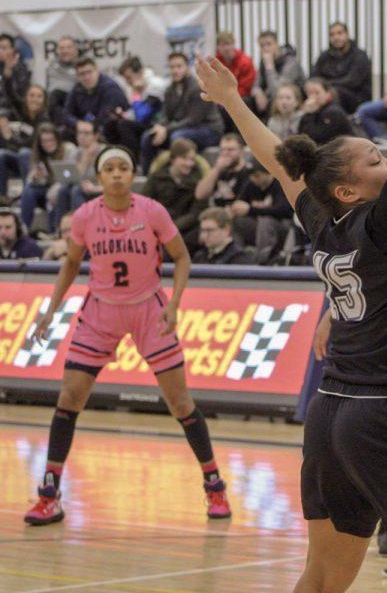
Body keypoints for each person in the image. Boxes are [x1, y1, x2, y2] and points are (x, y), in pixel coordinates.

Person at [196, 0, 387, 589]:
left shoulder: (322, 221)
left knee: (324, 581)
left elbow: (282, 166)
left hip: (329, 413)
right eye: (378, 160)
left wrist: (231, 102)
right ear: (351, 191)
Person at [23, 145, 231, 527]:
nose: (116, 174)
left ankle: (214, 484)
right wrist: (50, 311)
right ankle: (49, 495)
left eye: (123, 168)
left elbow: (182, 257)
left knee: (180, 402)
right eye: (109, 169)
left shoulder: (151, 210)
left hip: (148, 309)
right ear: (99, 177)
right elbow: (70, 264)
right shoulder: (85, 215)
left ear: (132, 175)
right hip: (100, 309)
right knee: (69, 398)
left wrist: (176, 303)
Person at [140, 53, 224, 175]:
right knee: (148, 137)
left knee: (178, 137)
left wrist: (166, 129)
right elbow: (166, 116)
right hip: (184, 128)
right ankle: (149, 177)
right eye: (172, 67)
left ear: (187, 68)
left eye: (179, 66)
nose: (175, 70)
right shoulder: (170, 90)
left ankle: (178, 175)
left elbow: (193, 120)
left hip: (209, 130)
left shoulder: (197, 87)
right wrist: (160, 127)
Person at [141, 138, 208, 253]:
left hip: (186, 229)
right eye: (184, 158)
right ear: (173, 159)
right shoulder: (157, 177)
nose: (189, 164)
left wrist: (172, 227)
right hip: (158, 226)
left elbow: (196, 212)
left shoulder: (199, 181)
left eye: (192, 159)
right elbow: (144, 204)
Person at [228, 159, 293, 264]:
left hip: (283, 228)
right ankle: (236, 258)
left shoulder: (279, 184)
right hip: (258, 228)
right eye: (251, 175)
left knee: (265, 221)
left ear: (269, 173)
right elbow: (240, 202)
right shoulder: (251, 184)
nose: (253, 179)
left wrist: (251, 210)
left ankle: (260, 262)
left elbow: (284, 210)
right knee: (238, 222)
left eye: (257, 175)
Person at [103, 56, 167, 160]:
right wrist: (122, 114)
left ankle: (132, 161)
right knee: (111, 125)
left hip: (157, 123)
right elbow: (134, 113)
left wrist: (137, 94)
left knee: (124, 125)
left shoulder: (155, 85)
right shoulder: (134, 86)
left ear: (141, 72)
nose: (127, 82)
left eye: (129, 77)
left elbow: (142, 115)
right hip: (145, 122)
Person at [19, 123, 77, 232]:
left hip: (63, 189)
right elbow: (29, 181)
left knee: (59, 192)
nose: (48, 144)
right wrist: (36, 177)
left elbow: (70, 176)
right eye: (44, 141)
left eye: (51, 140)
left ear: (57, 139)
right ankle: (23, 228)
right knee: (28, 190)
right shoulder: (39, 155)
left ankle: (55, 230)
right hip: (46, 190)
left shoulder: (69, 149)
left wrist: (54, 189)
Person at [311, 21, 373, 114]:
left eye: (340, 33)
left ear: (347, 35)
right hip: (327, 92)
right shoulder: (324, 56)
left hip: (356, 98)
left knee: (333, 92)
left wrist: (326, 85)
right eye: (332, 35)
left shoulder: (359, 55)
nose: (336, 37)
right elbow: (313, 77)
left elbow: (352, 81)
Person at [60, 58, 128, 140]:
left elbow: (107, 114)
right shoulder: (77, 88)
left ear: (97, 71)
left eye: (89, 72)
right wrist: (77, 123)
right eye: (82, 74)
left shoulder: (110, 87)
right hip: (85, 126)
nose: (86, 77)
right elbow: (66, 113)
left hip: (106, 127)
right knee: (64, 132)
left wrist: (89, 126)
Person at [0, 85, 49, 195]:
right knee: (1, 154)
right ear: (26, 98)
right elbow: (10, 95)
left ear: (44, 100)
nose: (35, 99)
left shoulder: (44, 121)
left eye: (39, 96)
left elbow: (31, 144)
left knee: (24, 153)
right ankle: (2, 198)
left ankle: (27, 192)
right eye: (31, 95)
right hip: (16, 157)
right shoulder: (17, 115)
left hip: (37, 160)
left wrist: (9, 138)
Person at [250, 30, 307, 118]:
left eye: (269, 44)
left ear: (277, 44)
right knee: (247, 102)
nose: (265, 48)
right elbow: (256, 85)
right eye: (262, 46)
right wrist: (258, 93)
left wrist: (269, 66)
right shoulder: (263, 61)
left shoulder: (291, 61)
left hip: (292, 98)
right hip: (272, 96)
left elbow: (277, 90)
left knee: (275, 100)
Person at [194, 132, 251, 208]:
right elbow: (200, 195)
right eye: (222, 150)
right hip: (215, 211)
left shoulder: (248, 172)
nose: (225, 153)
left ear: (241, 151)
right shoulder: (218, 171)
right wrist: (217, 168)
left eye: (230, 150)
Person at [297, 78, 354, 145]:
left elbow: (315, 138)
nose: (312, 97)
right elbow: (300, 134)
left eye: (317, 93)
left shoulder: (333, 112)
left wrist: (309, 113)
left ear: (327, 93)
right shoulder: (316, 111)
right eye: (309, 93)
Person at [45, 36, 80, 117]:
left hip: (75, 103)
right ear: (57, 51)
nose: (65, 51)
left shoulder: (82, 67)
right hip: (54, 104)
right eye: (62, 48)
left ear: (76, 50)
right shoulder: (50, 66)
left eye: (69, 47)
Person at [215, 31, 256, 98]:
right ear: (218, 47)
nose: (226, 48)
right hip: (222, 97)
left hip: (241, 97)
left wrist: (228, 97)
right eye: (222, 45)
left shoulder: (245, 62)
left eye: (228, 44)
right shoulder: (216, 62)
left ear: (233, 44)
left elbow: (246, 87)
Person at [0, 33, 31, 115]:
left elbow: (18, 96)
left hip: (12, 109)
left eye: (3, 48)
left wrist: (8, 72)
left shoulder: (20, 68)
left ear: (12, 50)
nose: (0, 51)